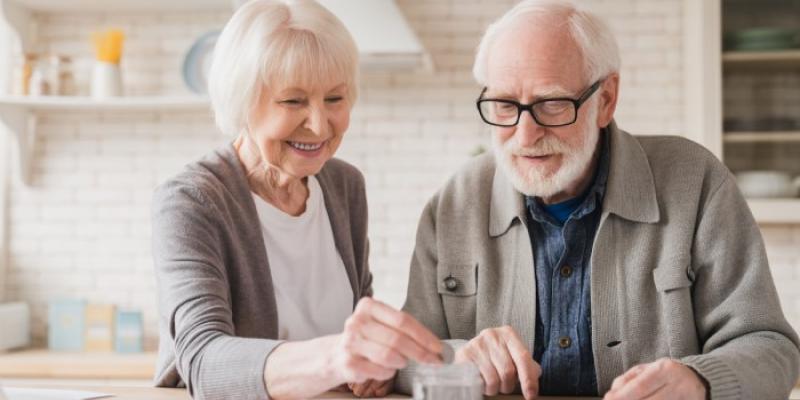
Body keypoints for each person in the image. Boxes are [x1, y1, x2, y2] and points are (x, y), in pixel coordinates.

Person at [394, 1, 800, 399]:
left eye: (551, 103)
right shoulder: (455, 201)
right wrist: (456, 359)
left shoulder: (695, 181)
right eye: (504, 104)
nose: (524, 135)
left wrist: (700, 380)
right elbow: (400, 362)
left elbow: (772, 349)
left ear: (605, 99)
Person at [151, 1, 441, 399]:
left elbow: (358, 323)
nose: (320, 125)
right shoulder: (192, 201)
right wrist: (336, 359)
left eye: (335, 99)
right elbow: (203, 361)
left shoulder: (344, 187)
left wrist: (375, 365)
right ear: (241, 100)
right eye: (293, 101)